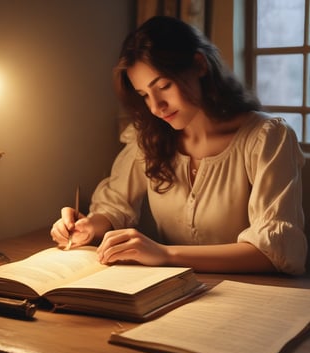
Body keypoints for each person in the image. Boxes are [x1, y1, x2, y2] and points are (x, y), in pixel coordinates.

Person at [51, 16, 307, 275]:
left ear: (199, 65)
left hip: (256, 295)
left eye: (164, 86)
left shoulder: (267, 138)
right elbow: (114, 205)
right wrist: (89, 226)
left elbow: (274, 251)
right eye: (144, 95)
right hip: (176, 292)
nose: (155, 106)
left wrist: (164, 253)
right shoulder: (149, 138)